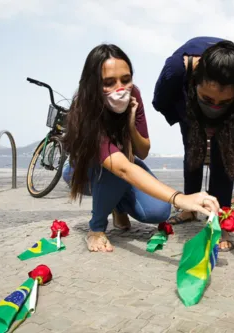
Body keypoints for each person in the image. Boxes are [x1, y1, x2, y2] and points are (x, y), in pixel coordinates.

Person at [62, 44, 220, 253]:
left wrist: (129, 124)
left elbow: (143, 151)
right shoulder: (84, 109)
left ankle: (116, 203)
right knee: (116, 168)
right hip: (84, 170)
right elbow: (122, 168)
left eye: (126, 80)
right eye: (109, 83)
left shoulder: (133, 95)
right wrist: (182, 199)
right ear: (93, 84)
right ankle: (96, 228)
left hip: (123, 163)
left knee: (159, 211)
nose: (120, 88)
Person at [152, 37, 234, 277]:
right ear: (195, 80)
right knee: (194, 148)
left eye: (223, 101)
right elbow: (159, 100)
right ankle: (190, 209)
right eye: (208, 100)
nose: (215, 106)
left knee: (226, 155)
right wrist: (188, 117)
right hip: (187, 105)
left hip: (232, 116)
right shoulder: (178, 67)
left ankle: (220, 216)